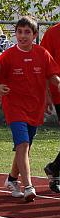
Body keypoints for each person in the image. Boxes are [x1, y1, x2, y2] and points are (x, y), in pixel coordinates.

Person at [0, 16, 60, 202]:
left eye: (27, 32)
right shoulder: (8, 56)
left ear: (35, 35)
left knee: (25, 146)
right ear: (15, 34)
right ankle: (28, 186)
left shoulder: (42, 54)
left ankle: (12, 179)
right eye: (19, 32)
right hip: (14, 107)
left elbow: (52, 76)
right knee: (22, 144)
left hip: (35, 107)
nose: (23, 36)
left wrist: (56, 87)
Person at [38, 18, 60, 193]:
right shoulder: (52, 33)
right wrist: (46, 95)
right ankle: (54, 168)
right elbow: (44, 66)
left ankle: (54, 168)